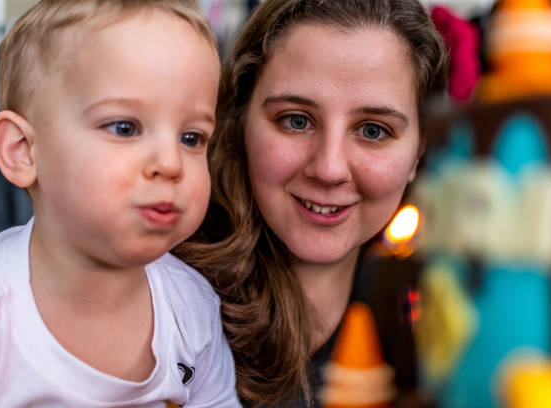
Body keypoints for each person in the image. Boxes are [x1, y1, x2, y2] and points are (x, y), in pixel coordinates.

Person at [0, 1, 241, 407]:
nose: (170, 163)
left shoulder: (191, 307)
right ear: (23, 150)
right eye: (125, 128)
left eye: (191, 138)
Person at [172, 0, 449, 406]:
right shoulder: (164, 310)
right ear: (240, 120)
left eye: (373, 130)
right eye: (296, 120)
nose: (329, 168)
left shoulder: (443, 322)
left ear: (419, 151)